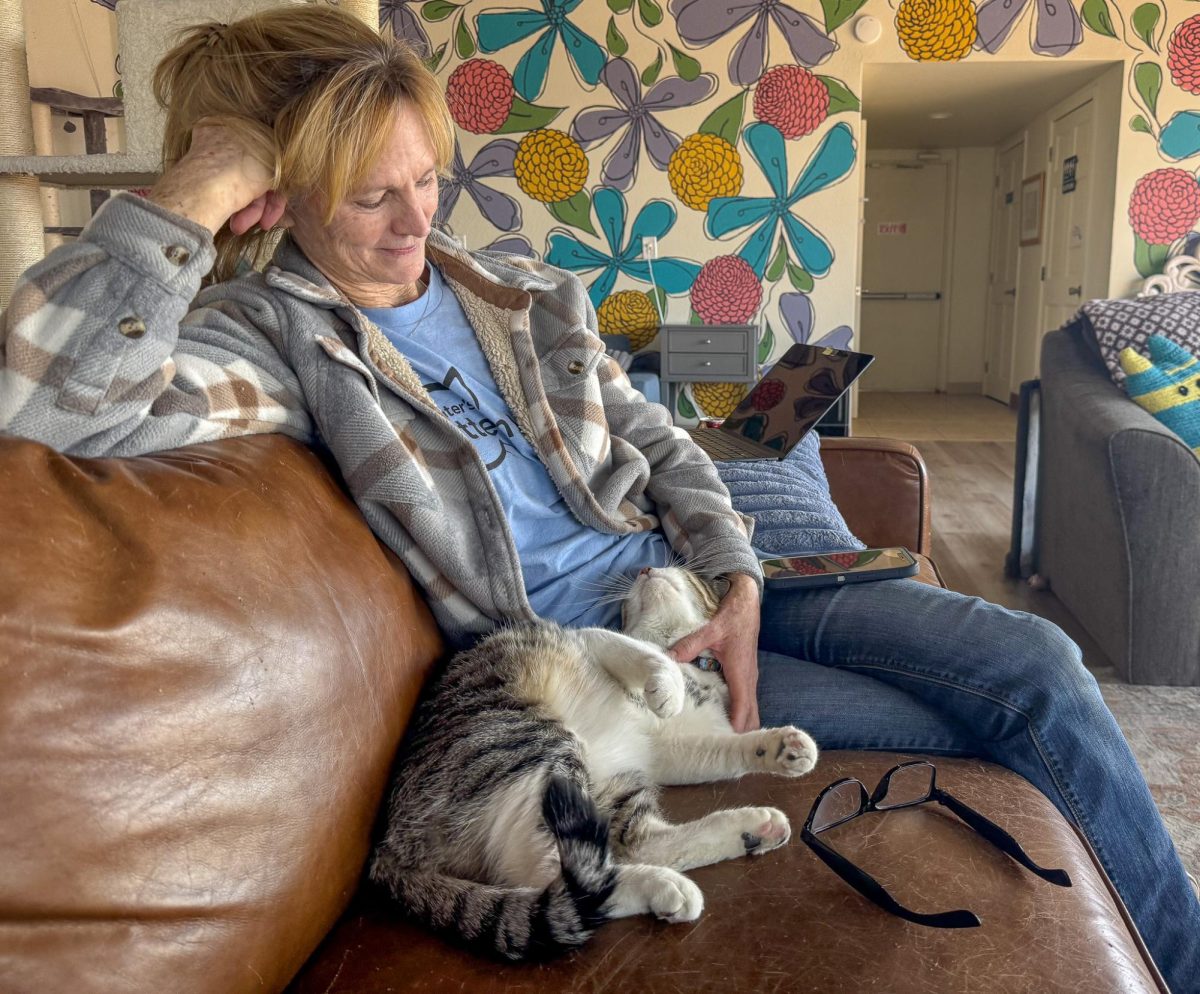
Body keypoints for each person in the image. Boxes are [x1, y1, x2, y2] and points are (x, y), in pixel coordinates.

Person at [0, 6, 1195, 989]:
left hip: (716, 581)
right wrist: (192, 191)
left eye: (425, 179)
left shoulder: (519, 290)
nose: (417, 221)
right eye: (370, 197)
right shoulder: (268, 341)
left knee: (1036, 662)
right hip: (605, 661)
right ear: (285, 195)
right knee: (1011, 725)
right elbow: (40, 410)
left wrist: (734, 577)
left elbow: (664, 440)